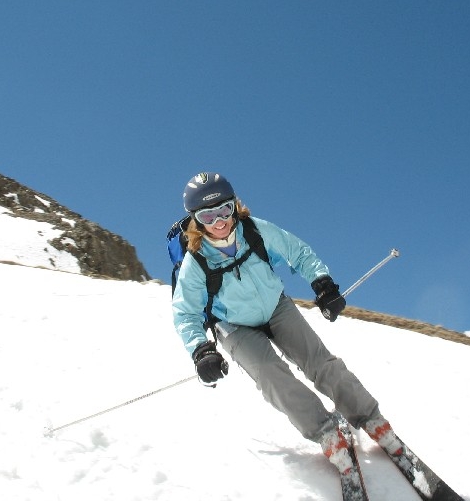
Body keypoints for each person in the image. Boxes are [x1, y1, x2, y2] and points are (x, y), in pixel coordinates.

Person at [171, 171, 404, 473]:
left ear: (234, 205)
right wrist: (201, 350)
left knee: (319, 361)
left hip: (276, 306)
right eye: (207, 215)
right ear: (195, 220)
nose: (219, 221)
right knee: (271, 376)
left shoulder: (255, 231)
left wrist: (323, 284)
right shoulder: (196, 261)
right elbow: (185, 312)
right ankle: (325, 432)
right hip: (234, 325)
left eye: (224, 210)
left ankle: (370, 417)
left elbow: (298, 252)